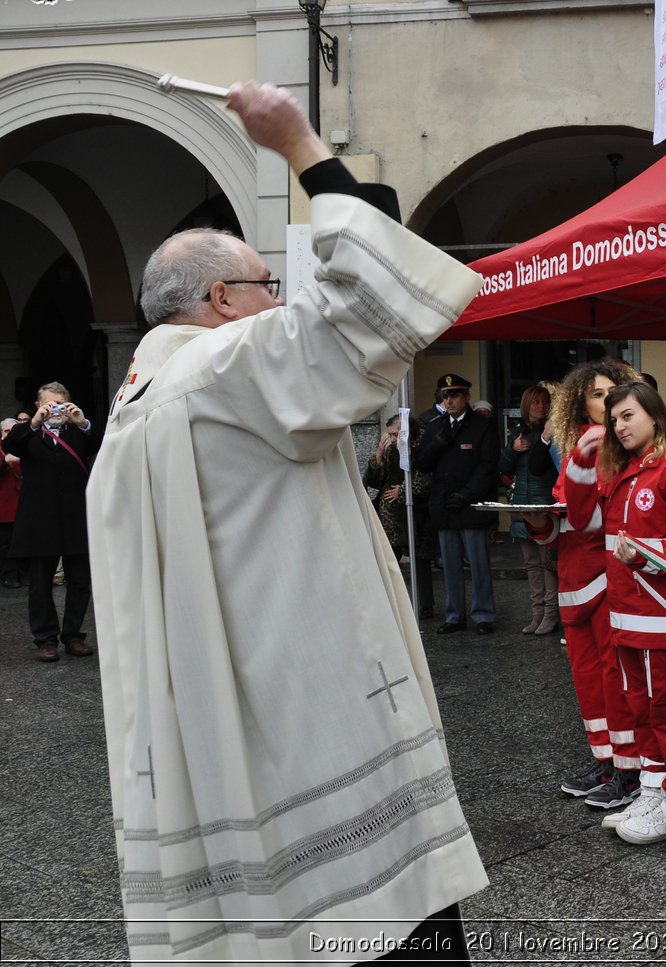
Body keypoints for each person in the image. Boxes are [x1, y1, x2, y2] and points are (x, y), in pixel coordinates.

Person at [85, 81, 487, 962]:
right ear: (221, 299)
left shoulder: (132, 403)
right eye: (269, 284)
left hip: (217, 725)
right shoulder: (229, 368)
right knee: (382, 918)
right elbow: (377, 297)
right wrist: (302, 144)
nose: (280, 300)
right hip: (310, 722)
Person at [563, 380, 666, 844]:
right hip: (626, 617)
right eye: (614, 419)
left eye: (628, 415)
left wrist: (646, 553)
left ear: (653, 415)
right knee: (640, 709)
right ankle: (652, 788)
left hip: (664, 618)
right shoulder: (626, 471)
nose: (618, 426)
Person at [524, 359, 644, 810]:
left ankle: (630, 771)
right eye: (596, 393)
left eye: (613, 391)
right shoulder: (580, 447)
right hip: (574, 583)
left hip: (609, 582)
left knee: (616, 680)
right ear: (580, 400)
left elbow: (597, 520)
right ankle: (607, 761)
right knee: (588, 680)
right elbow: (565, 528)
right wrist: (539, 524)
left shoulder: (626, 451)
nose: (605, 400)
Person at [5, 382, 94, 662]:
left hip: (75, 517)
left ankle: (73, 635)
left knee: (79, 581)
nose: (55, 410)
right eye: (49, 404)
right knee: (40, 584)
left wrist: (84, 423)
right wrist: (34, 422)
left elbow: (106, 446)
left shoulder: (78, 430)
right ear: (38, 405)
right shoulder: (27, 432)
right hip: (39, 520)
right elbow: (10, 445)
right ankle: (46, 639)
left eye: (60, 404)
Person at [415, 373, 499, 634]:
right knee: (449, 565)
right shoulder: (435, 426)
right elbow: (422, 464)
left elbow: (487, 467)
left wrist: (466, 494)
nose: (449, 400)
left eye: (455, 395)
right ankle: (454, 616)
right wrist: (436, 444)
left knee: (478, 564)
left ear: (466, 397)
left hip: (472, 504)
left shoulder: (482, 426)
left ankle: (483, 615)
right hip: (444, 507)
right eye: (445, 395)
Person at [501, 384, 560, 635]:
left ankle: (550, 615)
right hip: (521, 504)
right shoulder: (517, 431)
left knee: (547, 563)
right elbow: (502, 467)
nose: (541, 406)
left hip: (543, 503)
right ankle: (536, 614)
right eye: (535, 402)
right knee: (531, 563)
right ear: (526, 405)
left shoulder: (553, 431)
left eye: (545, 402)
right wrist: (511, 451)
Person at [363, 413, 435, 619]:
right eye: (390, 435)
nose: (393, 439)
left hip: (417, 510)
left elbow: (425, 477)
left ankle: (424, 605)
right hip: (392, 513)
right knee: (389, 555)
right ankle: (388, 601)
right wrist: (378, 455)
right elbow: (377, 480)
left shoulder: (421, 445)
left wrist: (402, 491)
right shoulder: (390, 449)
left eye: (396, 435)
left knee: (420, 558)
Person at [0, 418, 24, 588]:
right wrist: (5, 460)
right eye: (7, 432)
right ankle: (8, 575)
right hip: (5, 506)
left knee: (22, 543)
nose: (9, 435)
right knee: (5, 545)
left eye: (13, 432)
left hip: (24, 505)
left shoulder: (24, 446)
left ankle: (23, 574)